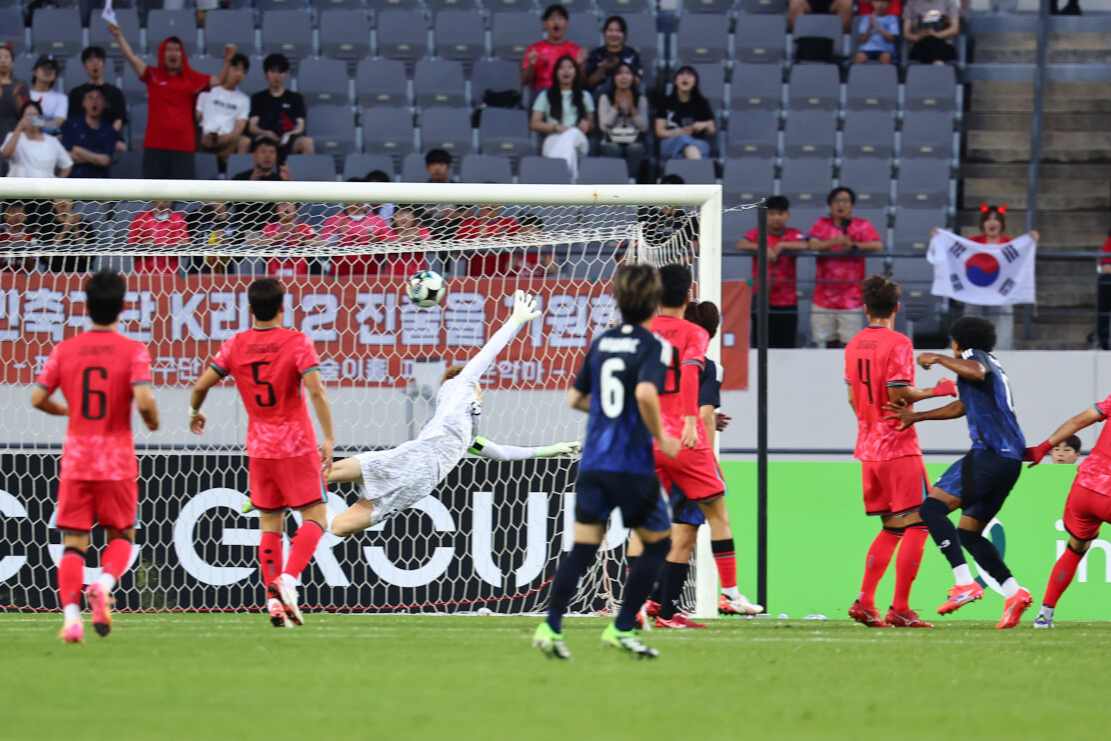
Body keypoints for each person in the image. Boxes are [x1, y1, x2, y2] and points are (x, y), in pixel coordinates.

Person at [324, 291, 580, 538]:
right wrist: (515, 321)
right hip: (415, 460)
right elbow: (488, 353)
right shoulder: (461, 387)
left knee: (338, 526)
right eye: (479, 386)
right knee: (324, 475)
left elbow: (501, 453)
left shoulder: (468, 436)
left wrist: (548, 450)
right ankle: (299, 492)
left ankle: (307, 507)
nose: (482, 392)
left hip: (420, 481)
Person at [533, 267, 677, 659]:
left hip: (594, 461)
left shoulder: (602, 342)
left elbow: (575, 399)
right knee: (659, 543)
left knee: (582, 548)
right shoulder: (655, 346)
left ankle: (551, 626)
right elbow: (645, 394)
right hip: (631, 465)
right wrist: (663, 437)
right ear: (654, 302)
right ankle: (621, 627)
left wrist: (608, 413)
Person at [188, 278, 336, 628]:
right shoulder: (297, 342)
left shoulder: (236, 345)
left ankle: (273, 604)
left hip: (259, 448)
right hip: (296, 445)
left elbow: (201, 385)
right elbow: (316, 391)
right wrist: (329, 437)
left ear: (250, 309)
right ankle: (288, 580)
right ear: (283, 307)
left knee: (270, 524)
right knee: (316, 518)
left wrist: (195, 411)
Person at [31, 270, 159, 643]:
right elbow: (145, 401)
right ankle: (103, 584)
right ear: (123, 307)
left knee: (74, 542)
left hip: (77, 459)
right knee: (122, 534)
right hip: (116, 460)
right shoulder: (133, 350)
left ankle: (72, 620)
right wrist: (151, 421)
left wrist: (68, 411)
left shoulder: (65, 350)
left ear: (86, 307)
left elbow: (37, 398)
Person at [883, 316, 1032, 628]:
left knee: (931, 509)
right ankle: (1013, 592)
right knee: (968, 533)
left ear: (957, 343)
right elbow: (962, 406)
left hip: (989, 453)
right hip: (1010, 460)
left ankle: (964, 583)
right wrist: (917, 417)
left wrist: (939, 358)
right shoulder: (993, 364)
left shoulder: (973, 358)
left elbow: (976, 371)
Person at [636, 298, 762, 619]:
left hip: (653, 444)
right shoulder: (707, 365)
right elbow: (703, 414)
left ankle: (650, 603)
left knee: (660, 528)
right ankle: (727, 594)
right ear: (712, 332)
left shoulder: (654, 356)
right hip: (689, 451)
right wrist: (708, 453)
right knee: (699, 526)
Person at [844, 276, 958, 628]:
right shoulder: (899, 343)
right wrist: (939, 390)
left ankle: (865, 601)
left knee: (892, 527)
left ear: (865, 307)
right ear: (896, 307)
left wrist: (870, 424)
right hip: (898, 446)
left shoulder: (853, 345)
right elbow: (899, 395)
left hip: (868, 449)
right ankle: (901, 608)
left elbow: (852, 397)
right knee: (920, 524)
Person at [110, 24, 237, 179]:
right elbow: (131, 58)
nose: (173, 53)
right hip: (155, 145)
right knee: (154, 190)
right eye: (169, 49)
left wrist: (227, 61)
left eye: (177, 50)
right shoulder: (153, 76)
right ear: (162, 54)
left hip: (183, 146)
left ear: (182, 55)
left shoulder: (191, 78)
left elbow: (218, 80)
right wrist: (118, 35)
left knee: (183, 192)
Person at [1026, 401, 1111, 628]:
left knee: (1075, 549)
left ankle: (1044, 615)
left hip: (1084, 487)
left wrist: (1044, 447)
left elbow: (1077, 421)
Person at [947, 204, 1038, 352]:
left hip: (1001, 290)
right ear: (982, 223)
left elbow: (1022, 257)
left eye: (996, 219)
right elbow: (955, 251)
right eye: (988, 219)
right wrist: (939, 238)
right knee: (971, 318)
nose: (992, 222)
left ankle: (1002, 350)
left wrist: (1031, 240)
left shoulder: (1009, 244)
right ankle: (969, 349)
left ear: (1002, 224)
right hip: (976, 289)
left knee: (1003, 317)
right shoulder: (973, 242)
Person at [807, 187, 883, 349]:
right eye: (837, 201)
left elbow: (877, 245)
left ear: (852, 205)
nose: (841, 204)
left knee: (852, 344)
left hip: (851, 298)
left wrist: (854, 246)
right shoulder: (821, 224)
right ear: (830, 205)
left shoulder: (862, 225)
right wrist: (834, 242)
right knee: (824, 343)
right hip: (823, 297)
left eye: (845, 201)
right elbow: (812, 244)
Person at [736, 195, 807, 348]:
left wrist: (782, 245)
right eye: (772, 213)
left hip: (787, 299)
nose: (776, 218)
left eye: (780, 214)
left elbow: (806, 245)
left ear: (787, 215)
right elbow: (741, 244)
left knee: (786, 345)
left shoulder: (794, 233)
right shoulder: (757, 233)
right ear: (766, 215)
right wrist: (762, 247)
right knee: (760, 343)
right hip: (761, 296)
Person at [530, 56, 593, 181]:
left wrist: (587, 124)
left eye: (570, 67)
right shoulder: (545, 95)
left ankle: (552, 177)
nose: (566, 71)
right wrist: (556, 127)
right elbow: (534, 123)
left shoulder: (585, 95)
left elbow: (592, 123)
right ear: (556, 72)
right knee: (570, 151)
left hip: (579, 139)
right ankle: (570, 182)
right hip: (553, 138)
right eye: (562, 68)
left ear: (576, 72)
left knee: (573, 132)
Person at [242, 54, 315, 159]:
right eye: (273, 72)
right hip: (265, 138)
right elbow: (252, 126)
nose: (276, 76)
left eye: (280, 72)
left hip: (288, 139)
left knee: (307, 142)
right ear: (266, 73)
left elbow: (300, 126)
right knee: (248, 142)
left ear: (285, 74)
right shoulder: (258, 98)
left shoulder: (296, 98)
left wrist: (289, 134)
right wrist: (265, 133)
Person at [195, 53, 250, 171]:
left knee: (244, 141)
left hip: (227, 141)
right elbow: (197, 117)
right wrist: (201, 136)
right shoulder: (208, 90)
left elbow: (239, 126)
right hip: (204, 138)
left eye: (243, 72)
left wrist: (227, 138)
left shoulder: (244, 100)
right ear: (227, 68)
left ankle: (237, 175)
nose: (239, 74)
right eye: (236, 69)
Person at [596, 62, 648, 180]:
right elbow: (603, 126)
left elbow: (644, 127)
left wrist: (632, 107)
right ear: (613, 78)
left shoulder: (641, 99)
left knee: (635, 149)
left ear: (633, 77)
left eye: (627, 73)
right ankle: (614, 181)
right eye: (619, 74)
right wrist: (615, 106)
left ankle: (630, 181)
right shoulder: (605, 98)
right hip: (610, 139)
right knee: (613, 149)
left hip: (634, 139)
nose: (624, 77)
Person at [67, 46, 128, 144]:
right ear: (85, 66)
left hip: (108, 138)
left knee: (120, 146)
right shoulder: (76, 93)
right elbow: (72, 121)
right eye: (90, 61)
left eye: (98, 60)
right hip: (82, 138)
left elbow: (119, 120)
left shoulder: (115, 92)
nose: (94, 64)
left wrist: (106, 136)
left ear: (104, 64)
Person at [521, 5, 586, 93]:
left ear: (566, 24)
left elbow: (583, 83)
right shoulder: (534, 50)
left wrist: (580, 65)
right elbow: (524, 81)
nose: (556, 22)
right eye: (552, 19)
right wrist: (531, 65)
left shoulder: (576, 50)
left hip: (568, 94)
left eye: (560, 19)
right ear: (544, 24)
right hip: (543, 94)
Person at [655, 66, 715, 161]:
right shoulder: (666, 102)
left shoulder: (701, 103)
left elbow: (712, 129)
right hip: (671, 142)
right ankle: (698, 167)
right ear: (675, 81)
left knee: (690, 148)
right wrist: (679, 132)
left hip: (697, 143)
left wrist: (703, 125)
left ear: (695, 83)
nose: (685, 77)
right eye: (681, 74)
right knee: (682, 138)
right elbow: (659, 132)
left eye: (690, 75)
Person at [321, 200, 395, 277]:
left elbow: (391, 243)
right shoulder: (334, 220)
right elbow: (324, 246)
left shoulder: (377, 220)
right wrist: (338, 235)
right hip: (340, 273)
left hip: (370, 273)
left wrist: (376, 241)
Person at [1, 100, 73, 177]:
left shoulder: (52, 141)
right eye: (28, 116)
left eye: (35, 115)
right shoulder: (14, 136)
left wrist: (56, 183)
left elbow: (67, 165)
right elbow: (6, 154)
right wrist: (19, 127)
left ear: (41, 118)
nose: (32, 119)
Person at [254, 201, 323, 277]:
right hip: (274, 275)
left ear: (296, 208)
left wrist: (301, 240)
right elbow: (260, 244)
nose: (285, 206)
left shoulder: (303, 227)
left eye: (290, 203)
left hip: (299, 276)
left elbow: (320, 243)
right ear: (276, 210)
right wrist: (278, 237)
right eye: (282, 204)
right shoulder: (270, 227)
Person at [62, 88, 116, 179]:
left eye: (98, 97)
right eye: (90, 97)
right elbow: (66, 156)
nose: (94, 101)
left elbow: (105, 160)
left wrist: (80, 151)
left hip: (99, 181)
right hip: (74, 179)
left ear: (104, 103)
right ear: (83, 103)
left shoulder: (109, 130)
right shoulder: (71, 125)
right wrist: (95, 158)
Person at [457, 204, 521, 276]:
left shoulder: (511, 225)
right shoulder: (467, 226)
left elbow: (518, 254)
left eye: (495, 201)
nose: (491, 204)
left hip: (504, 277)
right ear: (480, 204)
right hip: (476, 276)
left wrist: (505, 241)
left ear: (501, 204)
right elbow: (459, 256)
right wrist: (477, 241)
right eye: (487, 201)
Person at [128, 200, 189, 274]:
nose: (166, 199)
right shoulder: (141, 219)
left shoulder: (178, 219)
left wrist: (183, 246)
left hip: (171, 273)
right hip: (145, 272)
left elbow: (186, 252)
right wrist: (143, 246)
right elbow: (131, 248)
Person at [584, 16, 643, 92]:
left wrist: (622, 68)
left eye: (618, 31)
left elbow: (638, 81)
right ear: (604, 32)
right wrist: (603, 67)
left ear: (625, 34)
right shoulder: (596, 54)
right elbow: (589, 84)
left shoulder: (631, 54)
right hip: (599, 95)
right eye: (610, 30)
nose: (614, 34)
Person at [39, 199, 93, 273]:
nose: (63, 200)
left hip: (80, 273)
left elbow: (88, 256)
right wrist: (65, 228)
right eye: (59, 197)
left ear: (73, 202)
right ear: (53, 202)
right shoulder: (47, 226)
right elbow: (45, 258)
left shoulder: (85, 225)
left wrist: (76, 228)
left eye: (67, 197)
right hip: (54, 273)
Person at [903, 0, 961, 65]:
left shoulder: (949, 2)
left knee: (933, 42)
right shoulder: (912, 3)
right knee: (929, 42)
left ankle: (935, 65)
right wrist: (918, 36)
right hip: (920, 44)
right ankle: (938, 65)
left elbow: (954, 29)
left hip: (943, 44)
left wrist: (937, 35)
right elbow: (906, 33)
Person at [385, 205, 430, 277]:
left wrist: (419, 240)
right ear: (393, 218)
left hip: (417, 275)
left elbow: (431, 244)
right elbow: (386, 245)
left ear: (414, 217)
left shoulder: (421, 230)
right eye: (400, 214)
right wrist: (405, 237)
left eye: (407, 213)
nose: (404, 217)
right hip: (393, 276)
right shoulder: (389, 232)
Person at [853, 0, 900, 65]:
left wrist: (876, 26)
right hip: (867, 49)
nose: (880, 5)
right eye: (877, 1)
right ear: (871, 3)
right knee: (859, 57)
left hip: (885, 50)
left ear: (889, 4)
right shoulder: (866, 18)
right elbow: (863, 40)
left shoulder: (892, 19)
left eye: (884, 1)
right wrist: (870, 27)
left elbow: (891, 39)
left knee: (886, 57)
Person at [27, 55, 67, 132]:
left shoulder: (61, 98)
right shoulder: (25, 93)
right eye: (43, 67)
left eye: (52, 68)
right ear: (35, 71)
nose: (48, 71)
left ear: (56, 75)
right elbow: (23, 120)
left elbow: (58, 122)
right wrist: (48, 119)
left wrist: (34, 121)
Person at [0, 44, 27, 147]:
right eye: (0, 57)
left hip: (14, 134)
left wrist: (16, 96)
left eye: (6, 57)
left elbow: (28, 115)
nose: (3, 60)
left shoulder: (21, 85)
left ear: (12, 63)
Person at [0, 200, 38, 272]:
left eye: (20, 212)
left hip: (23, 277)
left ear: (26, 216)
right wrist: (9, 246)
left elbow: (31, 268)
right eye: (13, 211)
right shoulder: (1, 234)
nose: (17, 215)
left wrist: (24, 249)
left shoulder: (31, 237)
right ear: (5, 215)